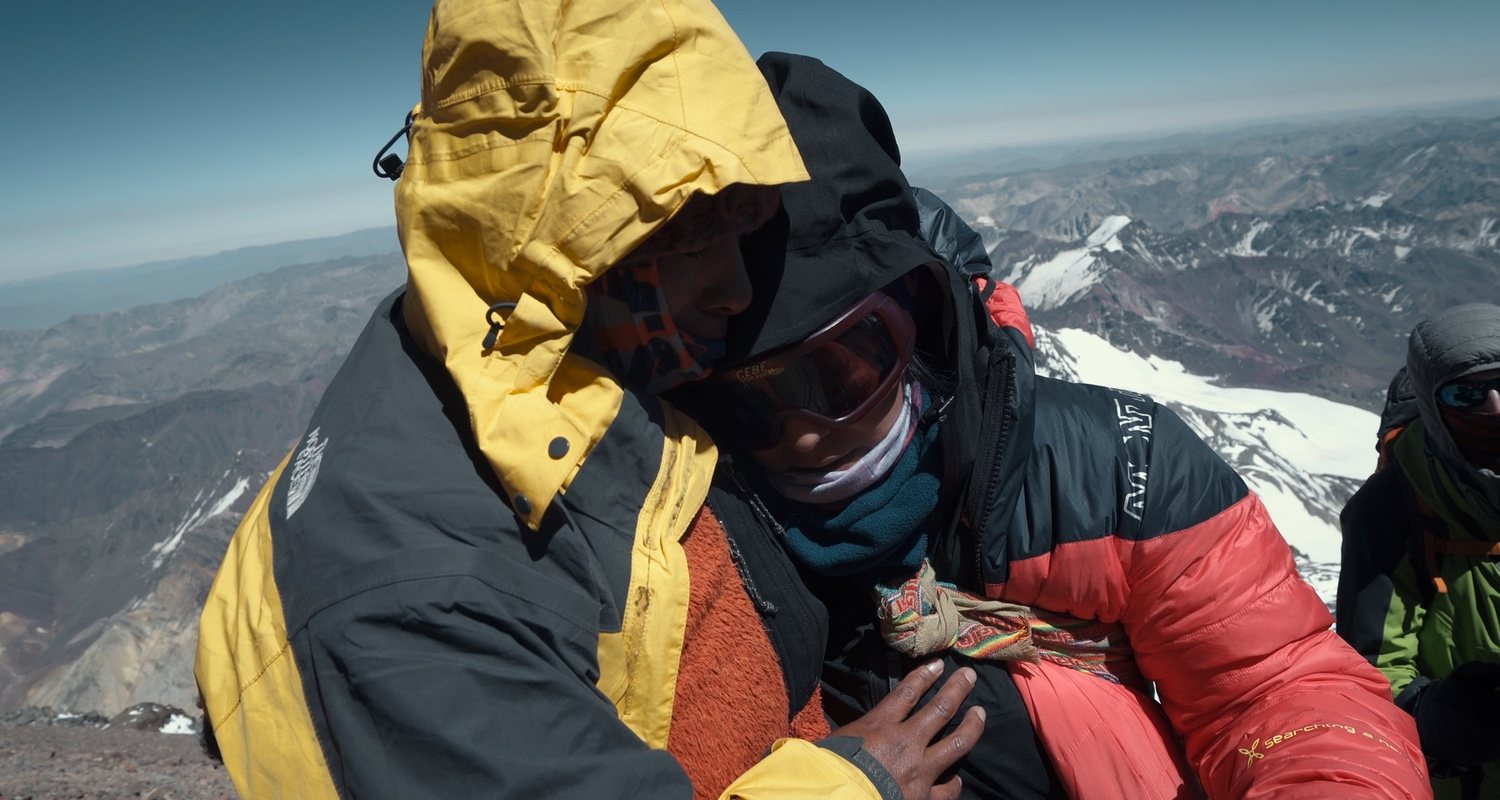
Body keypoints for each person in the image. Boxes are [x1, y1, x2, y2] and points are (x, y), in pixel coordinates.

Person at [193, 2, 984, 798]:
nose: (738, 288)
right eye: (682, 229)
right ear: (549, 234)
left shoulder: (537, 370)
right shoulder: (418, 591)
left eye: (741, 220)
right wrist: (856, 788)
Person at [679, 52, 1432, 799]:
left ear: (924, 325)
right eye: (740, 399)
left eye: (840, 366)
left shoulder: (1121, 472)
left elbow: (1274, 688)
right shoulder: (675, 536)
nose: (802, 433)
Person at [1338, 303, 1500, 799]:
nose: (1495, 406)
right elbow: (1371, 670)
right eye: (1467, 393)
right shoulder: (1392, 510)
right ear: (1433, 405)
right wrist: (1437, 714)